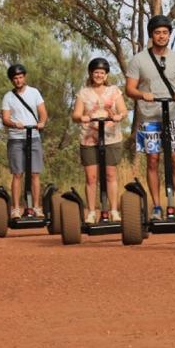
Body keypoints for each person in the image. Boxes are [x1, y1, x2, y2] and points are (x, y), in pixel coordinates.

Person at [125, 14, 175, 220]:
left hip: (173, 115)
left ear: (169, 35)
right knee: (153, 160)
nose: (162, 36)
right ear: (151, 35)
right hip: (150, 117)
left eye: (165, 32)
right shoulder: (139, 59)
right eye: (158, 32)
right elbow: (130, 88)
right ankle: (157, 207)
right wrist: (142, 94)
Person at [71, 57, 128, 224]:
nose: (99, 75)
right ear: (91, 73)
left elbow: (123, 110)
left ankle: (114, 211)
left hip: (111, 138)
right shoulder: (83, 93)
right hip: (89, 138)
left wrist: (119, 115)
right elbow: (75, 114)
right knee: (91, 177)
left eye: (102, 73)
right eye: (96, 72)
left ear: (106, 74)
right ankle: (90, 212)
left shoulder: (114, 91)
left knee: (111, 175)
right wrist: (83, 117)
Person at [1, 63, 48, 219]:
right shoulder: (8, 97)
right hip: (16, 138)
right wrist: (15, 124)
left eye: (21, 77)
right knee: (17, 174)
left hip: (33, 137)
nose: (18, 80)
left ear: (25, 77)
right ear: (11, 80)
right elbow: (5, 119)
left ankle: (36, 207)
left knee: (35, 173)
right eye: (15, 78)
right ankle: (15, 208)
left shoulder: (34, 93)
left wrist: (41, 122)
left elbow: (43, 113)